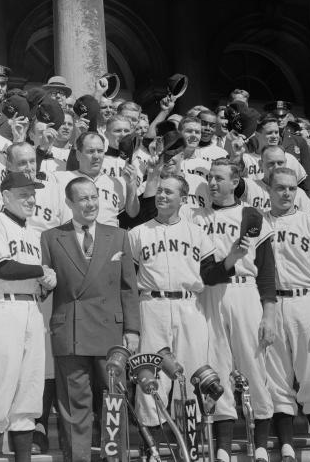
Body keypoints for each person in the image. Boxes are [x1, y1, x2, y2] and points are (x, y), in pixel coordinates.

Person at [41, 176, 139, 462]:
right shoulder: (51, 237)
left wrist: (132, 329)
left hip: (111, 332)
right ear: (70, 203)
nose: (90, 203)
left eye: (94, 197)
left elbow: (128, 287)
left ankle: (114, 458)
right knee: (74, 408)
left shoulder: (118, 236)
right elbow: (45, 287)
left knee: (114, 404)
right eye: (83, 198)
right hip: (71, 332)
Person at [192, 159, 276, 462]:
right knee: (217, 367)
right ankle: (224, 448)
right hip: (210, 293)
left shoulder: (250, 214)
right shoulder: (196, 217)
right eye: (209, 178)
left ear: (235, 181)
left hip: (244, 290)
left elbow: (267, 269)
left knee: (254, 367)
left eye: (219, 178)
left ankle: (263, 446)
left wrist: (269, 312)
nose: (212, 183)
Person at [0, 171, 57, 462]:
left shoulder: (34, 234)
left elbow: (36, 278)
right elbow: (1, 268)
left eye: (33, 193)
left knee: (29, 395)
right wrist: (41, 272)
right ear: (5, 196)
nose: (31, 199)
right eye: (23, 194)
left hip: (30, 308)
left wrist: (46, 283)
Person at [129, 173, 216, 431]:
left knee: (190, 375)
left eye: (169, 192)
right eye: (160, 191)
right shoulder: (138, 233)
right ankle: (152, 450)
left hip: (189, 305)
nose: (162, 196)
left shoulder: (196, 233)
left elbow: (211, 273)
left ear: (183, 198)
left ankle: (190, 446)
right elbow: (129, 280)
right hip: (151, 304)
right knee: (150, 376)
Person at [264, 167, 310, 462]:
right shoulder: (259, 223)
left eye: (292, 188)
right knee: (276, 378)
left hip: (306, 301)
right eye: (280, 187)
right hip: (270, 304)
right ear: (268, 189)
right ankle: (286, 446)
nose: (286, 193)